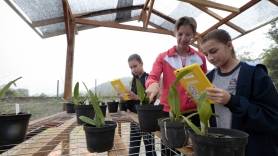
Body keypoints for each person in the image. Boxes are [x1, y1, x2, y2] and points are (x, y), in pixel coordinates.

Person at [201, 29, 278, 156]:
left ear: (229, 45)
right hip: (220, 148)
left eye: (213, 51)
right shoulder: (208, 78)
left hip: (251, 148)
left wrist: (232, 101)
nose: (210, 58)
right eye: (206, 54)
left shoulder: (254, 74)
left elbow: (271, 118)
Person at [145, 16, 207, 155]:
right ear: (175, 33)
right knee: (168, 150)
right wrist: (153, 84)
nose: (184, 38)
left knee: (191, 150)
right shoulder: (163, 57)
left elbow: (204, 84)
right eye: (180, 34)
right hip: (169, 113)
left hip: (193, 113)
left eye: (188, 34)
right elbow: (152, 77)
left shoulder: (200, 58)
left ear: (194, 36)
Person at [119, 54, 156, 156]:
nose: (133, 69)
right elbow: (131, 102)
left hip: (146, 120)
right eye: (131, 67)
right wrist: (124, 100)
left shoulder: (148, 78)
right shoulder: (134, 80)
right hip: (134, 119)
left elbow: (151, 100)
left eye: (135, 66)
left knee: (150, 149)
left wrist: (136, 97)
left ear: (141, 64)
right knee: (133, 149)